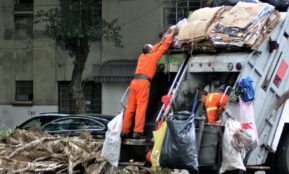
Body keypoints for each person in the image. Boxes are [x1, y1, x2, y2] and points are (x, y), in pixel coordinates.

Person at [121, 27, 178, 139]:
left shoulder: (141, 57)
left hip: (133, 83)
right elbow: (163, 47)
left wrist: (160, 42)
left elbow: (155, 47)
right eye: (152, 48)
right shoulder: (153, 57)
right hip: (143, 83)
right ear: (150, 51)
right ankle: (137, 131)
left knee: (130, 108)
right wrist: (172, 35)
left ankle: (125, 131)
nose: (154, 48)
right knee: (141, 107)